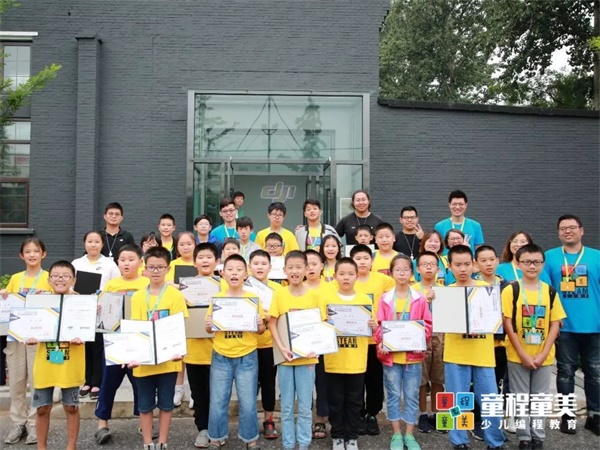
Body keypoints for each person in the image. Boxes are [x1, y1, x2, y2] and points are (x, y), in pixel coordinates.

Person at [502, 244, 566, 450]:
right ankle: (524, 437)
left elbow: (555, 323)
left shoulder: (550, 291)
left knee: (540, 398)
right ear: (518, 264)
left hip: (544, 356)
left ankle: (538, 437)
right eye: (527, 262)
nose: (532, 266)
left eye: (537, 262)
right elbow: (507, 323)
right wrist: (522, 354)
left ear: (543, 264)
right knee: (520, 397)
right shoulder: (511, 290)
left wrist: (544, 353)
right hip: (517, 355)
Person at [442, 245, 505, 450]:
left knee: (490, 401)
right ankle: (459, 441)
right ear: (450, 266)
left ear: (474, 265)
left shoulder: (487, 290)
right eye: (458, 265)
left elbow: (496, 319)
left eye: (467, 264)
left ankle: (495, 441)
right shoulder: (445, 293)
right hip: (455, 354)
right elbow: (440, 323)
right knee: (457, 401)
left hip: (483, 354)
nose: (463, 269)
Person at [543, 214, 600, 436]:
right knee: (565, 372)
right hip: (564, 326)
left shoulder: (596, 257)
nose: (567, 231)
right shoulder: (550, 257)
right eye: (563, 228)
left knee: (594, 372)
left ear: (581, 230)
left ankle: (595, 415)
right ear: (558, 233)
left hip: (594, 325)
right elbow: (546, 293)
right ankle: (567, 416)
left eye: (572, 227)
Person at [128, 246, 188, 450]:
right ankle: (147, 442)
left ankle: (162, 442)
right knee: (144, 405)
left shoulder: (175, 296)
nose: (155, 271)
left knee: (166, 404)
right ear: (144, 268)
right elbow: (135, 328)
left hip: (168, 360)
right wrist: (133, 354)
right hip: (143, 362)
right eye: (151, 267)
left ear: (168, 269)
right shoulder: (137, 297)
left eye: (160, 267)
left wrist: (179, 350)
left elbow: (179, 326)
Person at [205, 254, 265, 449]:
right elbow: (209, 329)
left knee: (248, 402)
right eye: (230, 269)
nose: (234, 273)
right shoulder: (217, 299)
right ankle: (216, 436)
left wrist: (259, 324)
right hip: (221, 355)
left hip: (247, 355)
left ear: (246, 274)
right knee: (218, 400)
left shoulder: (253, 299)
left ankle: (250, 438)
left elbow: (261, 330)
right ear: (222, 273)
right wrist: (209, 324)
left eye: (239, 270)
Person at [94, 244, 150, 445]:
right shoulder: (111, 285)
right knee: (108, 382)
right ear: (117, 262)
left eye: (131, 259)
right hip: (114, 341)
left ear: (140, 262)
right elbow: (102, 314)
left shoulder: (147, 283)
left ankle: (143, 422)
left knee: (141, 383)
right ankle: (102, 423)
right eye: (123, 260)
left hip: (139, 341)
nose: (126, 263)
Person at [376, 254, 432, 450]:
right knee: (392, 395)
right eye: (397, 270)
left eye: (406, 269)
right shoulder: (385, 299)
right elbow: (379, 326)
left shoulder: (419, 298)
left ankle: (409, 434)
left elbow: (427, 324)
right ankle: (396, 434)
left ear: (412, 273)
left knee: (411, 395)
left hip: (413, 358)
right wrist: (381, 342)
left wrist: (420, 340)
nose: (402, 273)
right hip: (391, 358)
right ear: (391, 273)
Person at [27, 261, 84, 450]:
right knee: (42, 408)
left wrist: (83, 334)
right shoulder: (40, 302)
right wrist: (30, 335)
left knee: (71, 406)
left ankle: (71, 445)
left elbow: (90, 328)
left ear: (73, 280)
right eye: (56, 275)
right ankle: (41, 447)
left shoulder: (82, 303)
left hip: (71, 362)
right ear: (49, 279)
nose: (61, 279)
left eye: (66, 275)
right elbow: (28, 327)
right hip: (45, 362)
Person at [320, 257, 376, 450]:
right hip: (334, 361)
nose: (346, 277)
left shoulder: (365, 300)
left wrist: (372, 326)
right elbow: (321, 328)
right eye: (342, 274)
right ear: (335, 276)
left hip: (356, 362)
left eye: (350, 274)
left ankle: (351, 437)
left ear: (357, 276)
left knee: (354, 401)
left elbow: (372, 329)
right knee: (335, 401)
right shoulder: (327, 299)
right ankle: (337, 436)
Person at [0, 238, 50, 445]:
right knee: (17, 383)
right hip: (16, 337)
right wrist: (4, 294)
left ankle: (34, 424)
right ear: (21, 256)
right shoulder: (15, 279)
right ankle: (18, 422)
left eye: (36, 251)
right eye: (27, 251)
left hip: (37, 337)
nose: (32, 255)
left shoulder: (48, 278)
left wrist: (47, 295)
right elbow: (7, 306)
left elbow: (56, 305)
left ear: (43, 254)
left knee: (37, 383)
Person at [269, 251, 320, 450]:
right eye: (290, 267)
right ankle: (289, 444)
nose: (295, 271)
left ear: (307, 269)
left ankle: (304, 444)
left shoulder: (314, 295)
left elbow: (321, 325)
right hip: (285, 359)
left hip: (307, 360)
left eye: (299, 267)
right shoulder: (279, 294)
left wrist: (316, 347)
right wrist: (281, 348)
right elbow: (272, 323)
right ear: (284, 270)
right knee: (287, 406)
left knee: (305, 406)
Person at [347, 244, 395, 435]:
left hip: (376, 340)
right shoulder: (346, 280)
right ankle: (358, 414)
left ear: (372, 261)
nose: (362, 262)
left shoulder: (384, 280)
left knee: (375, 380)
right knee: (356, 379)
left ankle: (372, 414)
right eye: (358, 258)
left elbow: (393, 304)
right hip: (355, 340)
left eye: (366, 258)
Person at [72, 231, 120, 400]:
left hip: (102, 311)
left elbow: (116, 285)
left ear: (102, 244)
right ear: (84, 243)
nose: (93, 244)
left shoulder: (109, 264)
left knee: (99, 347)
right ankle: (86, 381)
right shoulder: (77, 263)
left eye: (97, 241)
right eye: (90, 241)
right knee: (84, 346)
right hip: (82, 311)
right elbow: (70, 286)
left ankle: (97, 382)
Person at [184, 243, 220, 449]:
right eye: (201, 257)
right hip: (195, 351)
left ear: (217, 261)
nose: (205, 261)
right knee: (198, 394)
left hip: (219, 350)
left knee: (219, 395)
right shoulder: (185, 288)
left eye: (209, 257)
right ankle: (203, 429)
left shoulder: (224, 285)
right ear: (194, 262)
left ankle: (218, 429)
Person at [247, 250, 283, 441]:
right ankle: (249, 420)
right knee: (248, 386)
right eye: (256, 263)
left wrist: (267, 316)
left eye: (263, 264)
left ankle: (269, 420)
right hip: (247, 344)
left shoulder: (277, 290)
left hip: (269, 344)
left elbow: (281, 315)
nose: (259, 267)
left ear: (270, 267)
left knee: (269, 384)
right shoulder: (243, 288)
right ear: (249, 267)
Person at [304, 250, 335, 439]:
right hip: (303, 344)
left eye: (314, 264)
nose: (310, 268)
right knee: (305, 383)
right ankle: (305, 420)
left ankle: (321, 419)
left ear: (322, 266)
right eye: (306, 264)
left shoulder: (331, 287)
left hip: (323, 343)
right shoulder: (296, 287)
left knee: (323, 382)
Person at [412, 251, 444, 434]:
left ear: (438, 269)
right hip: (420, 336)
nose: (429, 267)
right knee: (422, 379)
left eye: (432, 264)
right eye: (424, 264)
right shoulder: (413, 290)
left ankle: (438, 414)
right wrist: (425, 298)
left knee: (439, 378)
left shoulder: (445, 290)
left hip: (441, 336)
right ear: (418, 269)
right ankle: (423, 414)